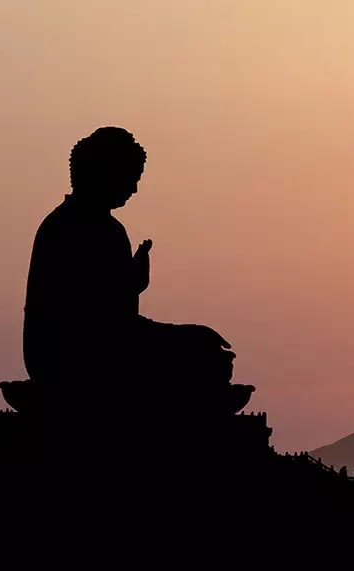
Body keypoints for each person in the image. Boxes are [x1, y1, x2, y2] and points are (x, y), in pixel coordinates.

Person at [22, 127, 239, 411]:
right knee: (203, 356)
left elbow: (117, 320)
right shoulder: (73, 228)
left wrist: (132, 285)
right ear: (102, 173)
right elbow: (99, 325)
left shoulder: (102, 228)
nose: (134, 189)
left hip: (98, 346)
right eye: (130, 178)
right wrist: (134, 288)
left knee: (205, 351)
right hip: (71, 355)